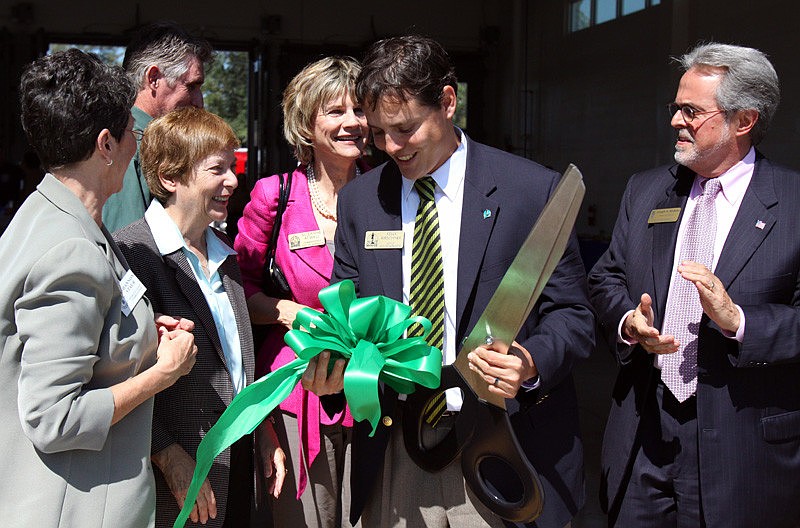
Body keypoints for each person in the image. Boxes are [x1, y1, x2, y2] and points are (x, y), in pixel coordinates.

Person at [304, 35, 594, 528]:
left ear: (447, 101)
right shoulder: (363, 200)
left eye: (405, 128)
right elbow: (345, 316)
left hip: (501, 442)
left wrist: (528, 361)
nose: (391, 148)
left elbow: (574, 316)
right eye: (378, 133)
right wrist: (329, 367)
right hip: (398, 445)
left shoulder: (531, 191)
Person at [588, 42, 800, 527]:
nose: (674, 121)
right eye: (675, 107)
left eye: (691, 111)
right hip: (643, 436)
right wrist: (627, 321)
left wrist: (740, 321)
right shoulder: (646, 190)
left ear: (743, 121)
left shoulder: (792, 203)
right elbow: (607, 276)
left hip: (743, 451)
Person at [0, 49, 197, 527]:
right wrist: (163, 373)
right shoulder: (70, 250)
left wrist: (146, 332)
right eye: (135, 131)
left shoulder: (50, 214)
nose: (139, 143)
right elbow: (54, 418)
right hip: (73, 509)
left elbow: (90, 331)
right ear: (107, 144)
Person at [114, 107, 286, 527]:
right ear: (171, 178)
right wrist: (167, 453)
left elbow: (233, 365)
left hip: (236, 467)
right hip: (173, 476)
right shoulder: (132, 253)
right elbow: (114, 377)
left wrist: (260, 429)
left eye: (232, 167)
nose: (232, 180)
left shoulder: (224, 253)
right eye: (217, 170)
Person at [234, 55, 368, 528]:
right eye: (335, 111)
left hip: (378, 393)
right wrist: (291, 311)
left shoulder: (392, 195)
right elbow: (239, 293)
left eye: (360, 109)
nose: (352, 122)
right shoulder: (276, 195)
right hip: (298, 393)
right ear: (306, 123)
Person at [102, 21, 212, 233]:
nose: (199, 102)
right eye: (191, 86)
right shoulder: (128, 143)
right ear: (153, 79)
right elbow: (127, 245)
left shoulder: (144, 141)